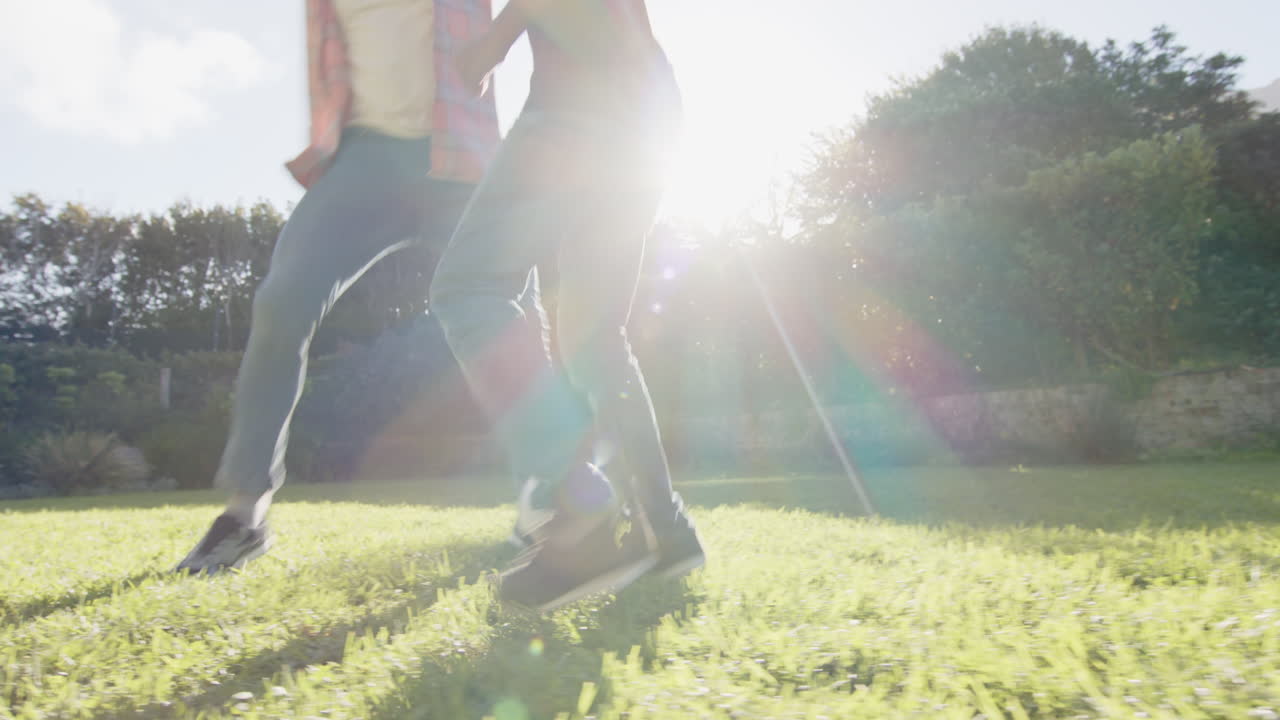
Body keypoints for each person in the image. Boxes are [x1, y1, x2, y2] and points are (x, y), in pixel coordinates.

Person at [176, 0, 512, 574]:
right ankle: (244, 515)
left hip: (458, 156)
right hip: (364, 160)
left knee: (510, 312)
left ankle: (557, 496)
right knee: (283, 301)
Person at [430, 0, 703, 611]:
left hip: (577, 96)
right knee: (594, 337)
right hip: (646, 102)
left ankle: (579, 508)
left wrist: (495, 38)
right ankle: (666, 528)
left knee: (470, 284)